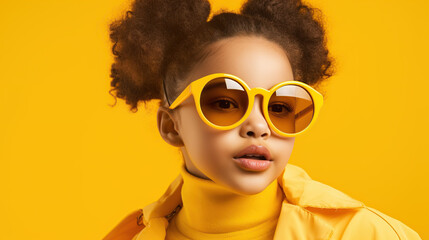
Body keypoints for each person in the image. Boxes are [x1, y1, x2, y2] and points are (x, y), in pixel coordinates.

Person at [104, 0, 422, 239]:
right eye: (226, 102)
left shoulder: (366, 235)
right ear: (171, 126)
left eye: (281, 107)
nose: (259, 126)